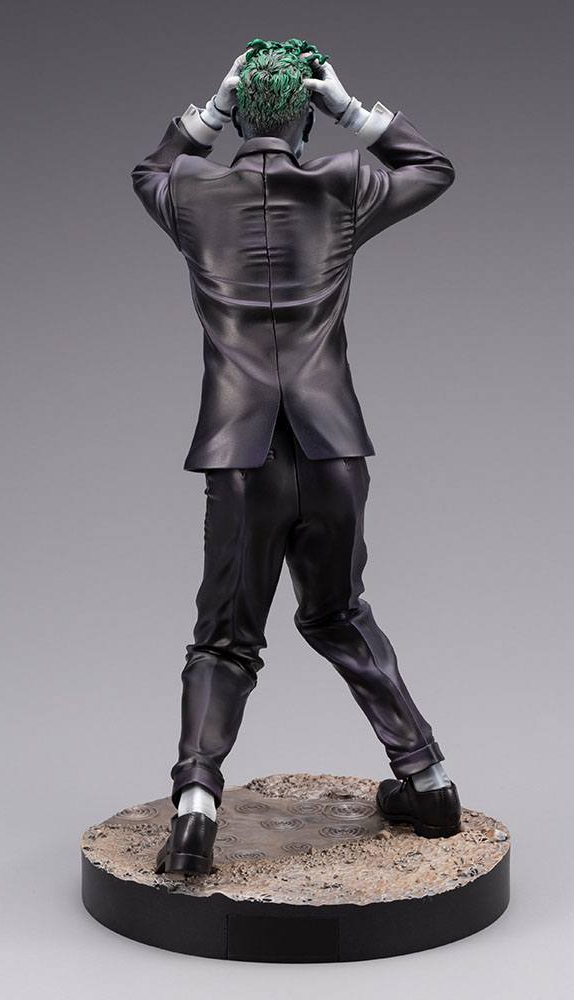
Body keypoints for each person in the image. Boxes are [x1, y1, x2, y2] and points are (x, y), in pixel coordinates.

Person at [131, 38, 462, 876]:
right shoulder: (342, 182)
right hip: (333, 446)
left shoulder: (192, 190)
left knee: (224, 641)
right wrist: (352, 109)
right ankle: (428, 780)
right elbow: (432, 167)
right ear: (309, 119)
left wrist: (210, 110)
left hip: (241, 454)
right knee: (339, 613)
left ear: (242, 114)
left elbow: (148, 169)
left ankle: (196, 806)